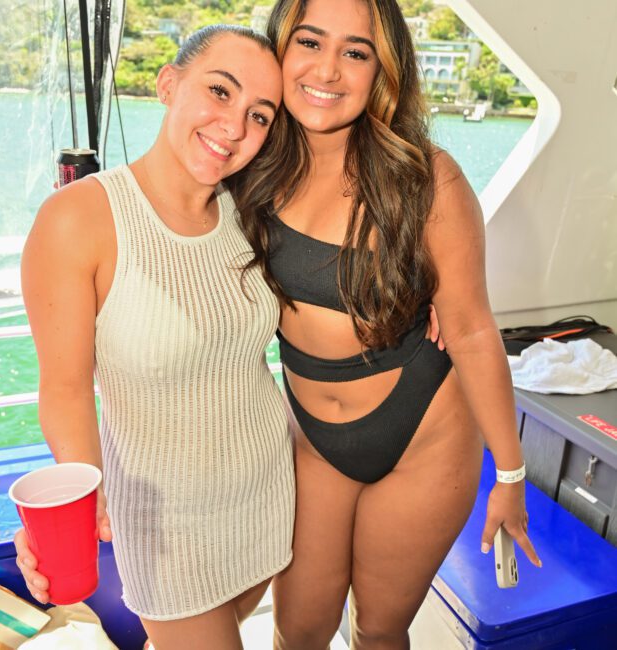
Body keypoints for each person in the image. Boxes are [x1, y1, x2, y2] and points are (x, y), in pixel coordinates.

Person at [231, 1, 542, 648]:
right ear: (280, 51)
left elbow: (474, 330)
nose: (328, 69)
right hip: (312, 440)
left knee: (377, 632)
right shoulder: (249, 160)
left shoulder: (426, 179)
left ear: (383, 70)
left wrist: (509, 479)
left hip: (422, 440)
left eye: (355, 52)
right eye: (310, 43)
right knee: (300, 630)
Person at [13, 24, 296, 650]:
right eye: (219, 92)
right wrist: (84, 494)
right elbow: (63, 388)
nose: (234, 126)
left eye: (259, 115)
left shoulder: (249, 212)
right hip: (164, 526)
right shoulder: (79, 219)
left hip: (267, 494)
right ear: (169, 84)